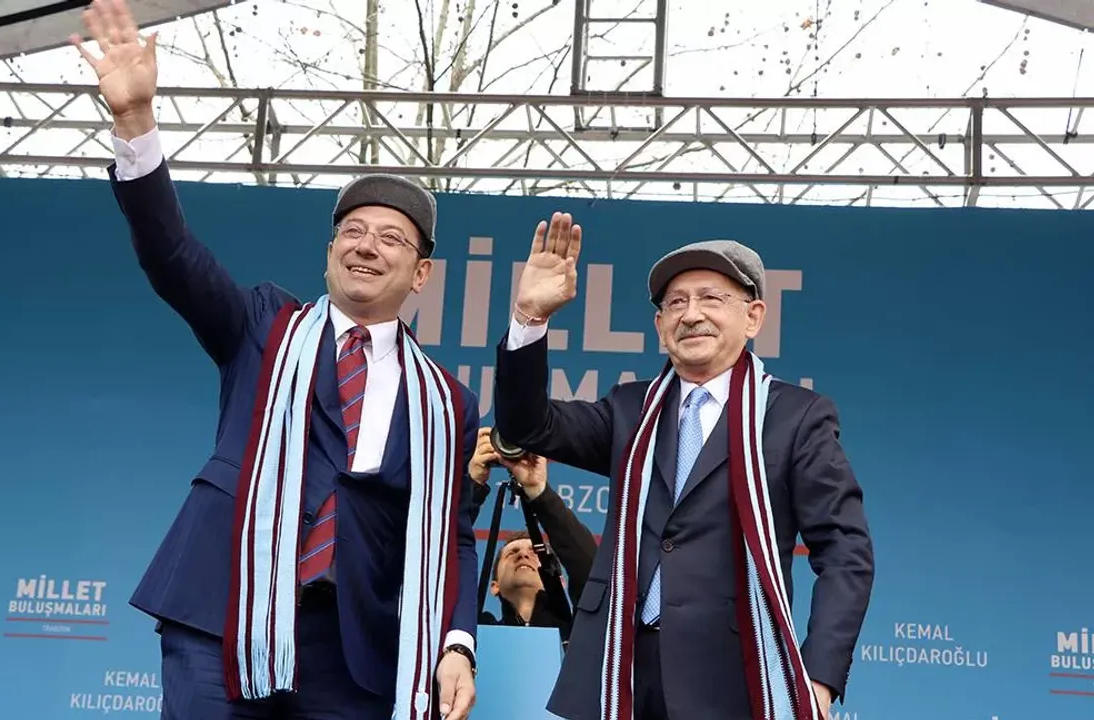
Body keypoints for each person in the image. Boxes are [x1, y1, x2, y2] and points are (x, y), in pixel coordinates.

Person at [68, 2, 480, 718]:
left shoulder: (446, 402)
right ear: (329, 253)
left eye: (390, 238)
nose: (366, 245)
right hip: (222, 613)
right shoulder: (266, 325)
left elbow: (452, 537)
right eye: (352, 231)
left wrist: (457, 643)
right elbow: (172, 256)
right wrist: (135, 122)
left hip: (351, 650)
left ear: (420, 275)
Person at [493, 214, 874, 720]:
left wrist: (819, 674)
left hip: (732, 679)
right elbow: (526, 425)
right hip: (617, 671)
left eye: (711, 298)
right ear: (659, 326)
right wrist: (530, 318)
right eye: (676, 303)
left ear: (754, 317)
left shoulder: (795, 417)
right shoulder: (629, 409)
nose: (691, 314)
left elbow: (845, 549)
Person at [465, 428, 596, 628]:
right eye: (512, 553)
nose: (523, 555)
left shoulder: (581, 633)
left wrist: (539, 491)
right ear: (494, 586)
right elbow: (439, 566)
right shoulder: (469, 633)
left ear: (561, 581)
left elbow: (588, 565)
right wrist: (472, 485)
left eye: (535, 552)